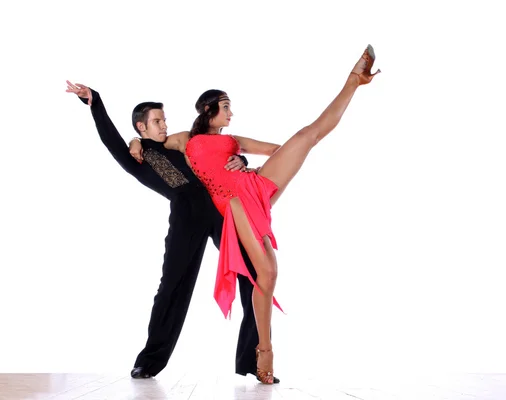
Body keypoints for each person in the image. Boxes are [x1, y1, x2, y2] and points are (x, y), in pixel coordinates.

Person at [158, 44, 380, 384]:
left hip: (254, 187)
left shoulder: (233, 140)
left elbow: (279, 150)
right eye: (226, 107)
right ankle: (265, 351)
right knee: (270, 273)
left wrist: (246, 161)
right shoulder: (186, 139)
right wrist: (133, 143)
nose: (231, 114)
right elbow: (154, 145)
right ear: (208, 109)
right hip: (232, 203)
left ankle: (353, 81)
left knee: (307, 136)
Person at [65, 82, 281, 383]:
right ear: (141, 127)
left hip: (220, 212)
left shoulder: (179, 144)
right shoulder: (136, 156)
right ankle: (148, 362)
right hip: (186, 217)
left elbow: (215, 158)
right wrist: (95, 103)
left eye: (164, 119)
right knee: (172, 287)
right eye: (156, 121)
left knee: (255, 275)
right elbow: (111, 139)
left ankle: (254, 360)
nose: (164, 125)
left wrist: (243, 161)